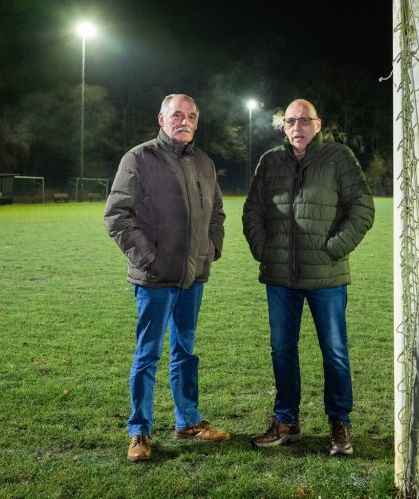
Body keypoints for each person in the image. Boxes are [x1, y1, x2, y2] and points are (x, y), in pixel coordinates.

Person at [242, 99, 375, 456]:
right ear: (283, 126)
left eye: (304, 120)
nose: (297, 127)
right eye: (290, 121)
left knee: (334, 352)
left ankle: (340, 424)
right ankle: (286, 421)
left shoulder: (338, 157)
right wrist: (265, 250)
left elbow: (362, 207)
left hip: (327, 276)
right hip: (280, 277)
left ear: (318, 124)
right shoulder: (270, 161)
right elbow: (253, 209)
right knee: (282, 350)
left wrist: (334, 248)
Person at [104, 93, 229, 463]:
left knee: (185, 352)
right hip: (155, 279)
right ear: (161, 119)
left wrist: (212, 249)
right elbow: (117, 215)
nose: (184, 121)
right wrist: (149, 258)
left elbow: (217, 213)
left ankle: (188, 421)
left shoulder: (204, 163)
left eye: (191, 116)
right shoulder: (139, 158)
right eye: (177, 115)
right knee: (148, 355)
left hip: (193, 278)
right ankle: (139, 431)